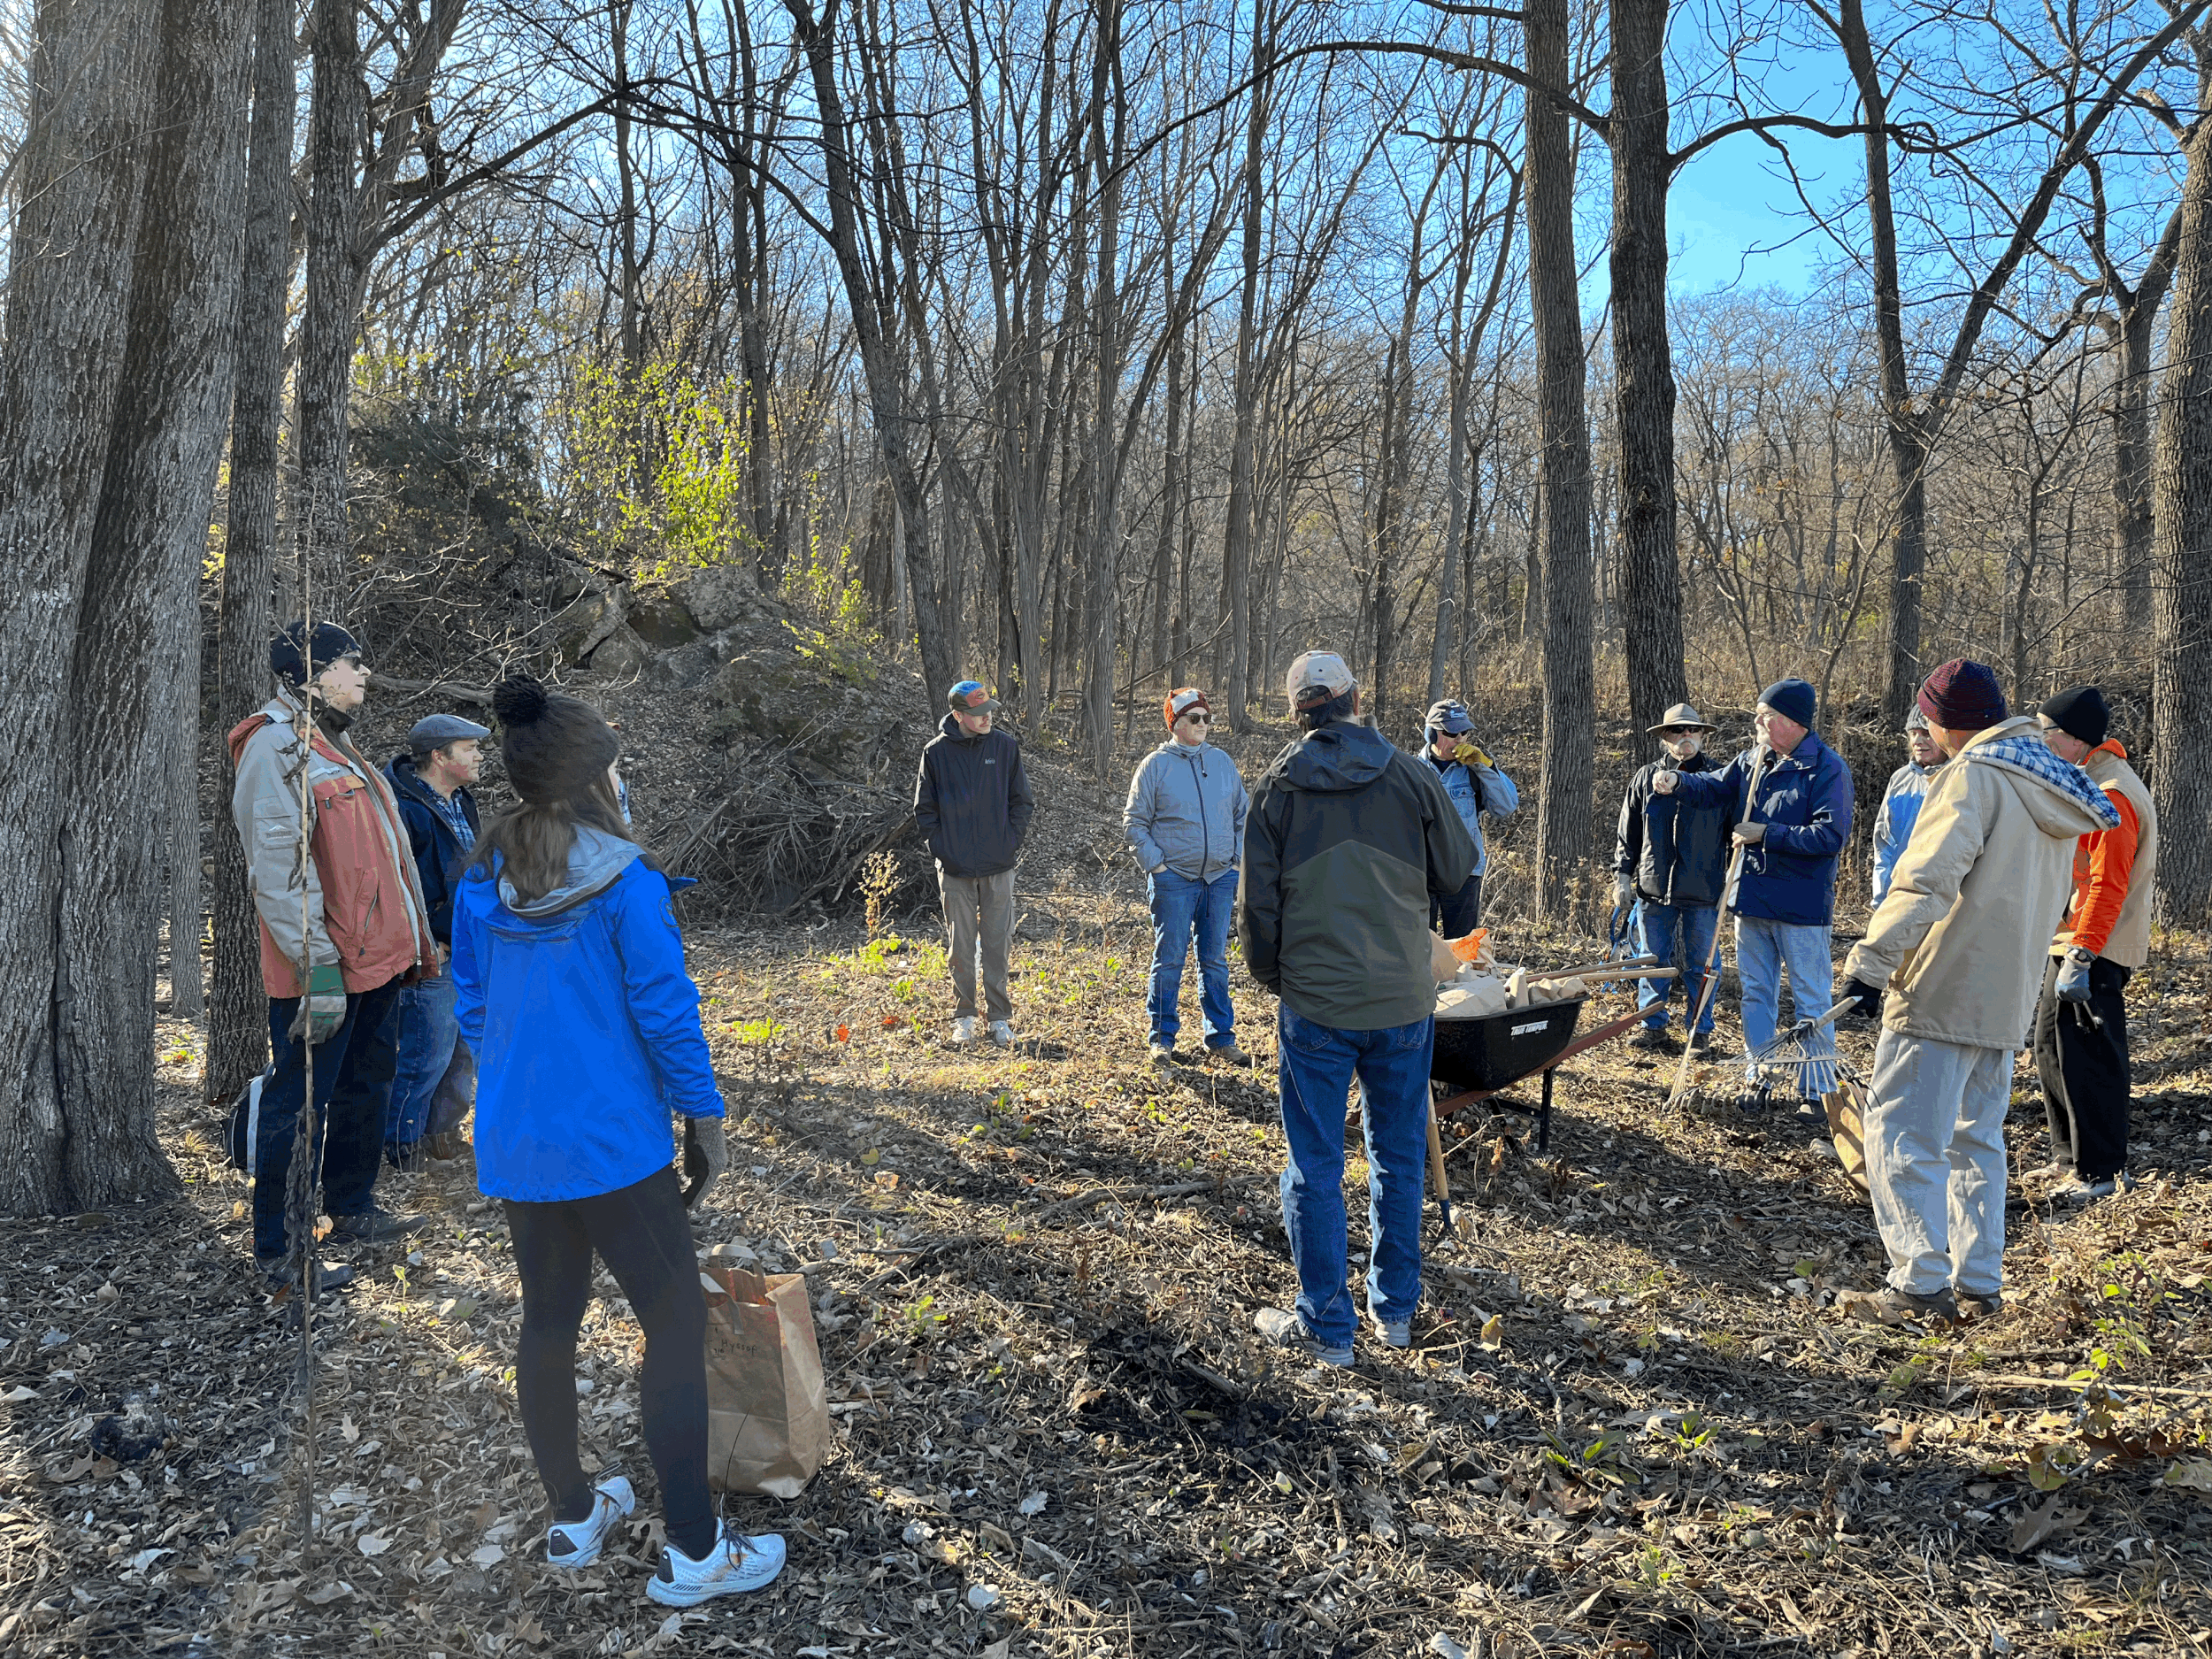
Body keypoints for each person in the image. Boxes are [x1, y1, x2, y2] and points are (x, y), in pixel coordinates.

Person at [452, 675, 786, 1606]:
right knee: (673, 1327)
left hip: (521, 1142)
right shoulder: (625, 881)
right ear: (599, 773)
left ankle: (573, 1515)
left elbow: (472, 1007)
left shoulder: (480, 878)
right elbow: (666, 1012)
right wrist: (703, 1117)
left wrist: (523, 1079)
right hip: (613, 1145)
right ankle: (693, 1549)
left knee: (547, 1324)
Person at [1836, 660, 2119, 1323]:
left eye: (1928, 718)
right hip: (2008, 992)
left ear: (1945, 720)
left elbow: (1924, 880)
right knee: (1977, 1139)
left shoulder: (1974, 775)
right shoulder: (2050, 781)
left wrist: (1871, 965)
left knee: (1902, 1133)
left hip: (1942, 983)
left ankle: (1919, 1281)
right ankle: (1979, 1282)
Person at [1240, 651, 1475, 1365]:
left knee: (1314, 1162)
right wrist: (1426, 938)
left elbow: (1258, 914)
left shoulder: (1278, 788)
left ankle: (1326, 1327)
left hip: (1316, 1004)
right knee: (1397, 1155)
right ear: (1355, 698)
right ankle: (1395, 1312)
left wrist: (1280, 977)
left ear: (1297, 712)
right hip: (1402, 1003)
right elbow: (1462, 879)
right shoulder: (1410, 775)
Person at [227, 620, 433, 1293]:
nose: (363, 675)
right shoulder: (274, 747)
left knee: (365, 1086)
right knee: (299, 1105)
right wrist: (318, 972)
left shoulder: (335, 747)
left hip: (373, 964)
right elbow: (280, 875)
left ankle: (349, 1206)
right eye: (351, 663)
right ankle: (282, 1253)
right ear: (308, 673)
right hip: (321, 973)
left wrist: (415, 946)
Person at [1653, 677, 1852, 1110]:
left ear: (1793, 722)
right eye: (1759, 715)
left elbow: (1830, 835)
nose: (1758, 723)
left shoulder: (1827, 768)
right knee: (1756, 993)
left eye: (1766, 716)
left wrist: (1768, 834)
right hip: (1750, 899)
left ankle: (1816, 1089)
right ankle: (1759, 1075)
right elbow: (1714, 787)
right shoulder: (1754, 760)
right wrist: (1678, 782)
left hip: (1801, 907)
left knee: (1810, 999)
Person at [2031, 686, 2160, 1203]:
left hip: (2096, 947)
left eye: (2047, 735)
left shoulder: (2114, 794)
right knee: (2050, 1049)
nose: (2042, 744)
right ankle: (2071, 1159)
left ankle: (2101, 1171)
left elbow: (2109, 885)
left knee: (2091, 1061)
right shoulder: (2091, 778)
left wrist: (2083, 954)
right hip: (2072, 941)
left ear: (2071, 738)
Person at [383, 712, 489, 1170]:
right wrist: (428, 940)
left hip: (468, 947)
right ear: (439, 757)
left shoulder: (461, 800)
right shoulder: (402, 806)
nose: (480, 756)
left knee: (463, 1051)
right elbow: (401, 884)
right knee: (426, 1053)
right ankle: (401, 1147)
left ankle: (441, 1136)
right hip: (431, 951)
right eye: (469, 749)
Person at [1124, 687, 1251, 1066]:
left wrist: (1235, 863)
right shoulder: (1154, 766)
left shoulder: (1223, 763)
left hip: (1219, 880)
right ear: (1174, 723)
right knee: (1170, 959)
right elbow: (1134, 822)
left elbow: (1243, 815)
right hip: (1174, 880)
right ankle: (1162, 1038)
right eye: (1193, 718)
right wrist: (1157, 866)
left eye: (1206, 718)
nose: (1202, 725)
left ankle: (1221, 1036)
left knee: (1214, 961)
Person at [914, 680, 1033, 1048]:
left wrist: (1009, 842)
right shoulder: (935, 753)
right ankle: (964, 1017)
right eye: (979, 713)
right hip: (955, 870)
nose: (987, 718)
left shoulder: (1005, 747)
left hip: (999, 867)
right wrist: (943, 850)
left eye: (989, 711)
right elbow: (924, 811)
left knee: (998, 945)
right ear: (958, 715)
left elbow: (1022, 803)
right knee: (960, 946)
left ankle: (999, 1019)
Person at [1613, 703, 1731, 1055]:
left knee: (1703, 965)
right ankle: (1652, 1025)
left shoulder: (1718, 780)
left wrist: (1735, 884)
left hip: (1705, 890)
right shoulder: (1645, 778)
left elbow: (1735, 833)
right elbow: (1628, 833)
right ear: (1665, 738)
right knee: (1651, 960)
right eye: (1677, 731)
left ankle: (1700, 1031)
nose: (1686, 737)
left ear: (1702, 735)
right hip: (1653, 888)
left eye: (1692, 730)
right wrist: (1622, 876)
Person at [1418, 699, 1517, 935]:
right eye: (1452, 733)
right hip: (1423, 874)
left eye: (1464, 732)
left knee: (1463, 950)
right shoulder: (1413, 770)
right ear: (1431, 734)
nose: (1460, 739)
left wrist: (1486, 766)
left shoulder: (1475, 770)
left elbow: (1506, 806)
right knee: (1421, 948)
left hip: (1465, 872)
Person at [1870, 708, 1944, 907]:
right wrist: (1881, 900)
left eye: (1926, 733)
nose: (1918, 742)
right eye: (1913, 734)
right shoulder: (1900, 779)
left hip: (1941, 904)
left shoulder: (1959, 777)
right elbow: (1883, 843)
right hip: (1897, 899)